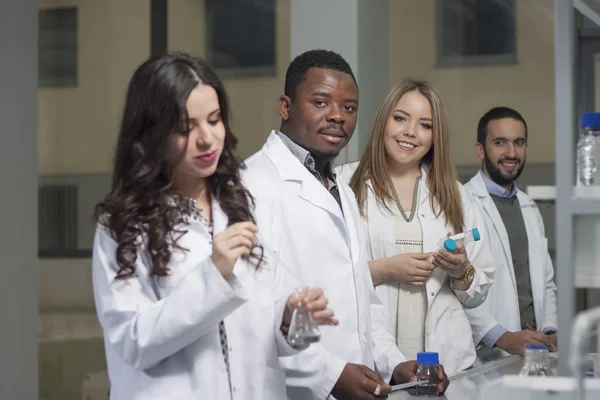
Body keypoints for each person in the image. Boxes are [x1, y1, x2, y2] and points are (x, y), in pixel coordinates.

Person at [91, 52, 337, 400]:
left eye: (214, 119)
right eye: (184, 128)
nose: (207, 139)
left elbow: (272, 334)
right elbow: (133, 343)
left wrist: (290, 318)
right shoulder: (123, 226)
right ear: (151, 134)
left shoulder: (244, 205)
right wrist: (214, 275)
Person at [243, 50, 449, 399]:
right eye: (321, 102)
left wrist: (396, 363)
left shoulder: (340, 190)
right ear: (285, 106)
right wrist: (331, 375)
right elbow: (254, 315)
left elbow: (364, 304)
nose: (337, 116)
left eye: (349, 107)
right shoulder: (252, 185)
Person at [337, 79, 495, 374]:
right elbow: (325, 278)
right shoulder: (345, 184)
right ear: (383, 121)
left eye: (425, 125)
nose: (410, 132)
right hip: (371, 362)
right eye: (400, 118)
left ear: (436, 136)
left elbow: (478, 293)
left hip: (446, 364)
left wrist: (462, 270)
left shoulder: (455, 195)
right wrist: (385, 269)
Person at [464, 107, 557, 359]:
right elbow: (456, 288)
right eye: (500, 142)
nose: (511, 153)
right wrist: (502, 338)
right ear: (480, 149)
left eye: (519, 142)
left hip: (536, 350)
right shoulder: (461, 203)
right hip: (488, 354)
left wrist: (550, 327)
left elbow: (545, 282)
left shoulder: (530, 207)